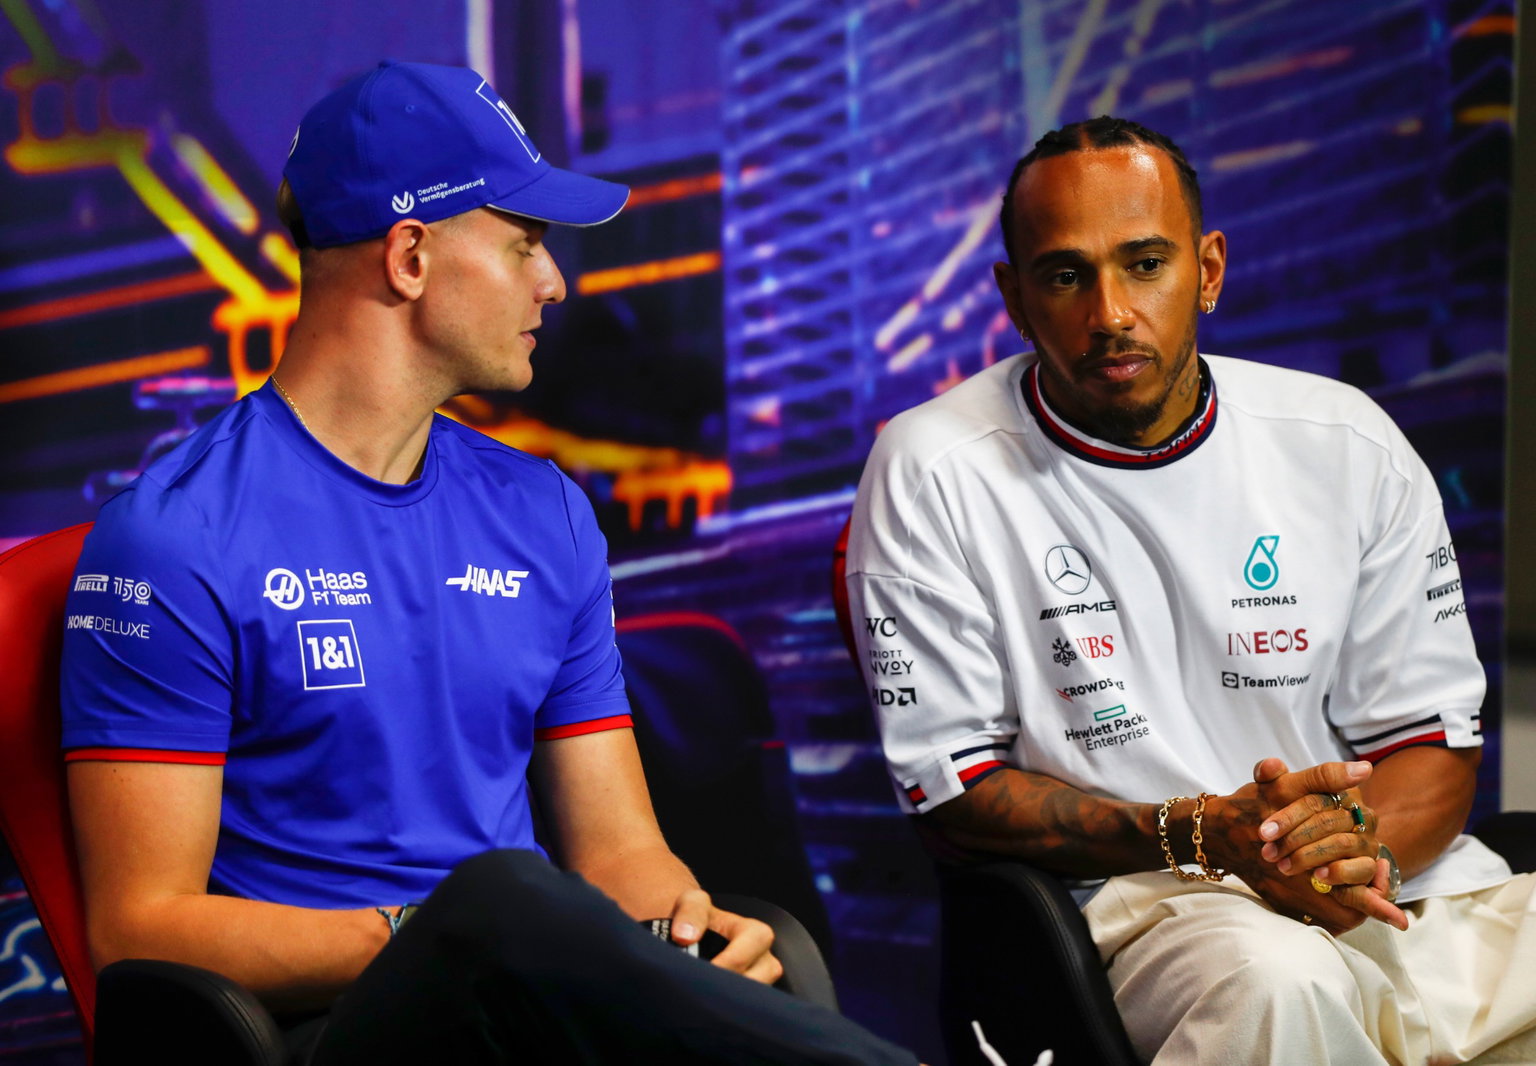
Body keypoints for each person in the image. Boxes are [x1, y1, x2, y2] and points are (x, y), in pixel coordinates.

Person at [60, 59, 916, 1065]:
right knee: (500, 897)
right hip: (332, 1031)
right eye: (522, 244)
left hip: (528, 994)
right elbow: (141, 926)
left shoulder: (544, 513)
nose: (552, 281)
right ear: (411, 258)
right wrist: (437, 933)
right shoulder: (175, 535)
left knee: (761, 956)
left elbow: (617, 851)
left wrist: (681, 930)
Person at [844, 116, 1536, 1064]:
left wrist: (1343, 850)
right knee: (1280, 984)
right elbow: (957, 795)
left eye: (1145, 264)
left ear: (1207, 270)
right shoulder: (934, 468)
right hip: (1159, 915)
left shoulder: (1346, 440)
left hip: (1398, 896)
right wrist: (1203, 835)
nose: (1110, 312)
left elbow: (1426, 745)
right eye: (1067, 274)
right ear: (1015, 296)